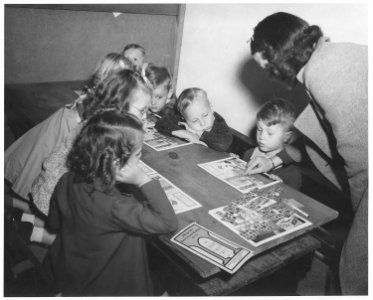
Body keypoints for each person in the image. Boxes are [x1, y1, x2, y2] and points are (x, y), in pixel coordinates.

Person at [249, 12, 367, 295]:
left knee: (355, 270)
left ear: (276, 52)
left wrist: (358, 216)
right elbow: (314, 143)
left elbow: (362, 162)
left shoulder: (323, 72)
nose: (270, 73)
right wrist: (275, 160)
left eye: (266, 64)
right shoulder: (331, 54)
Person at [46, 110, 178, 296]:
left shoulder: (67, 178)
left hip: (73, 270)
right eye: (139, 154)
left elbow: (53, 223)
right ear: (116, 163)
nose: (141, 158)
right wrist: (143, 181)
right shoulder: (115, 205)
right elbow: (168, 223)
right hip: (111, 284)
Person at [4, 53, 132, 214]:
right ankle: (14, 209)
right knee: (32, 185)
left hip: (59, 139)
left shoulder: (98, 100)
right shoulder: (84, 112)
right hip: (56, 143)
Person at [243, 98, 302, 190]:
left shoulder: (292, 174)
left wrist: (281, 188)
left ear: (286, 137)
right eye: (259, 129)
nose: (262, 136)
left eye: (270, 133)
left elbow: (290, 200)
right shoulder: (250, 153)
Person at [155, 87, 233, 152]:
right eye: (195, 120)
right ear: (184, 119)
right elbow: (160, 123)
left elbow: (223, 145)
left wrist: (199, 133)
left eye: (205, 115)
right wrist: (187, 134)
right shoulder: (185, 120)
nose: (202, 123)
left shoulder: (218, 121)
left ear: (211, 108)